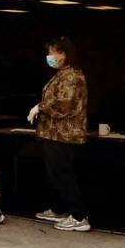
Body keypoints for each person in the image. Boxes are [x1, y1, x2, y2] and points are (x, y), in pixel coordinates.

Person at [29, 36, 90, 232]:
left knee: (62, 173)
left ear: (63, 54)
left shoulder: (71, 76)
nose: (49, 56)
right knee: (56, 173)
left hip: (63, 133)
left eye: (52, 52)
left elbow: (65, 104)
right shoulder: (62, 74)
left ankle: (79, 216)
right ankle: (61, 208)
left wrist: (40, 107)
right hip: (54, 133)